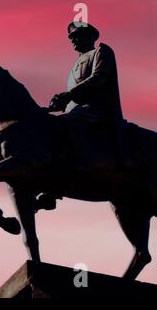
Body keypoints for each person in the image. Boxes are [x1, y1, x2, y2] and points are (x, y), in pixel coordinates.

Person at [36, 21, 130, 211]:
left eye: (77, 37)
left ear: (90, 37)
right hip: (77, 110)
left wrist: (68, 95)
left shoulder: (101, 52)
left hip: (96, 110)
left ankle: (84, 162)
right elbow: (73, 96)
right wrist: (57, 104)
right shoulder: (75, 64)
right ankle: (51, 184)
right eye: (71, 38)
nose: (73, 41)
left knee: (73, 121)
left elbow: (98, 78)